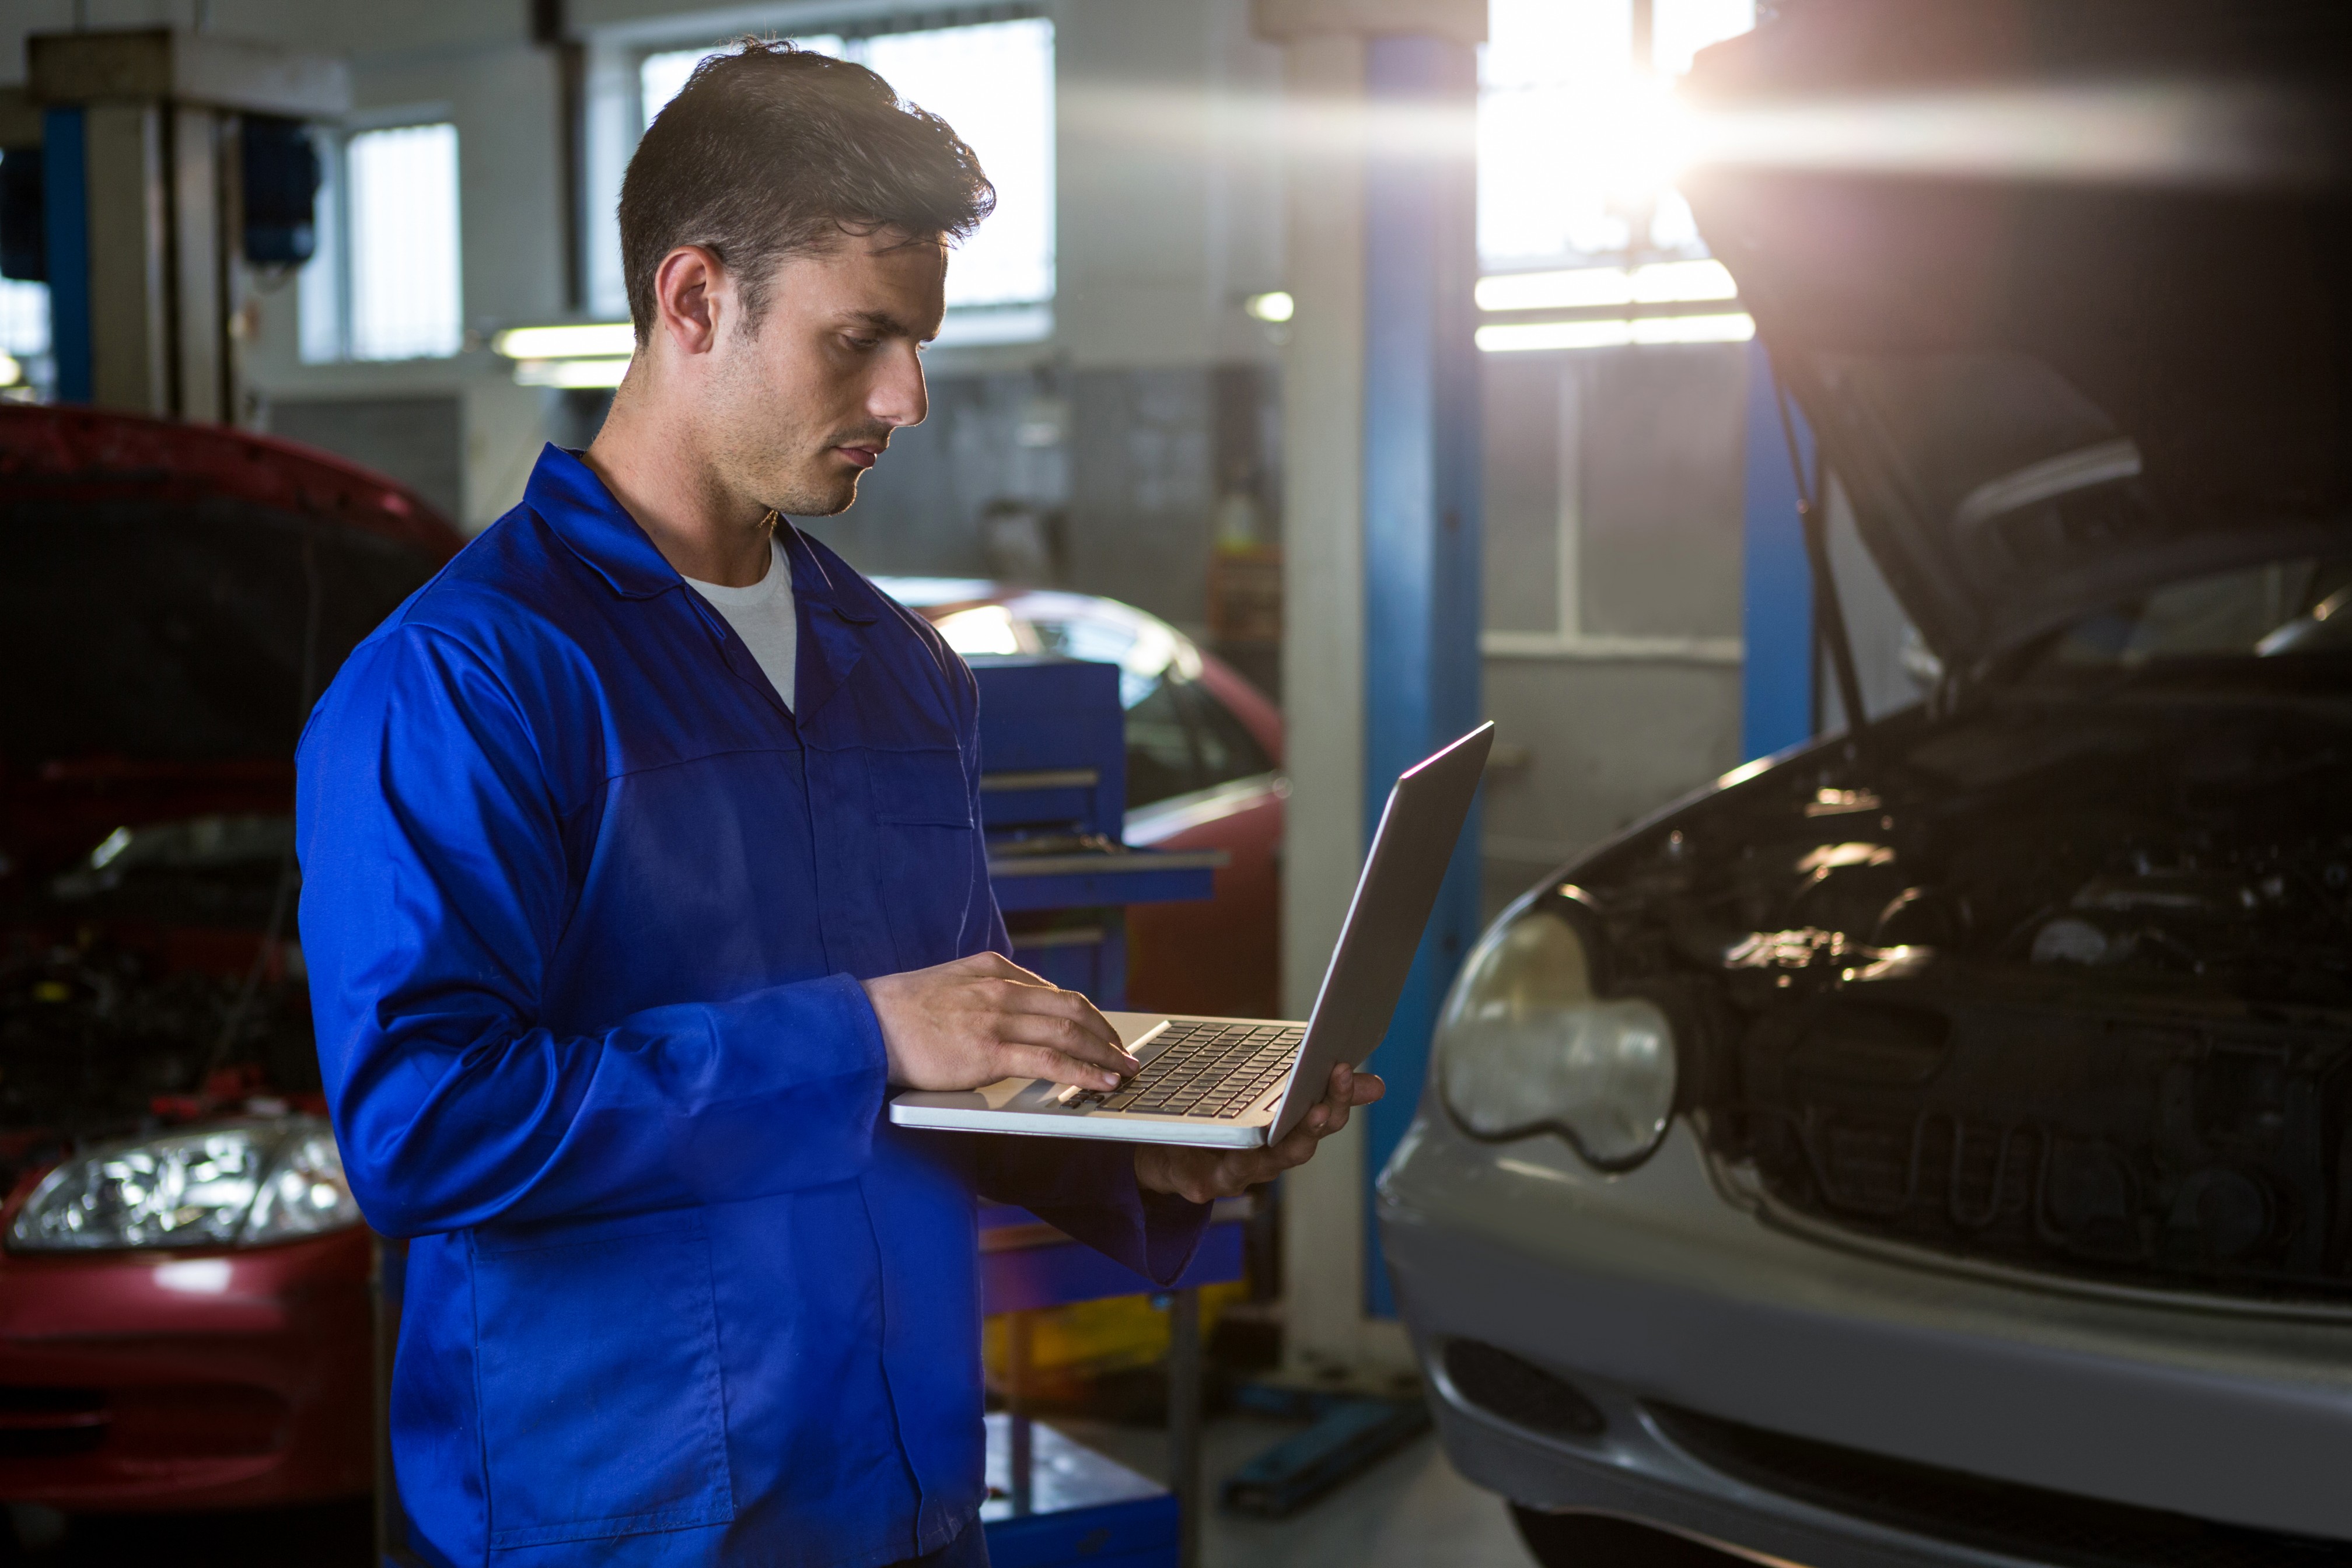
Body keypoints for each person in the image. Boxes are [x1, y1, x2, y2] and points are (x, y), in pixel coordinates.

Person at [296, 40, 1378, 1568]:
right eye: (861, 339)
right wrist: (856, 1028)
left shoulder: (901, 672)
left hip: (904, 1489)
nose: (909, 396)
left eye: (920, 342)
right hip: (619, 1522)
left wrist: (1145, 1153)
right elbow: (422, 1127)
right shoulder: (467, 680)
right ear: (693, 300)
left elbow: (948, 1080)